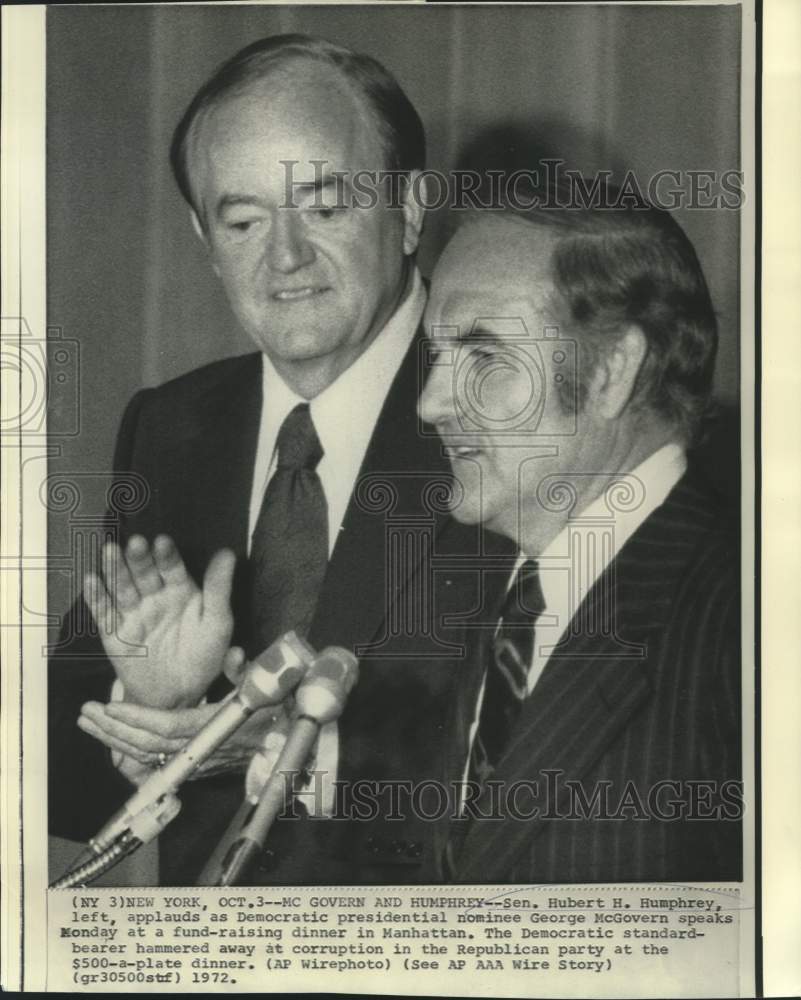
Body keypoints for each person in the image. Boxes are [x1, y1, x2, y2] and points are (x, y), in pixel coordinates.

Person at [48, 33, 509, 886]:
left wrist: (274, 748)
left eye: (325, 208)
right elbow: (59, 788)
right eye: (245, 220)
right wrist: (153, 707)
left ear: (409, 211)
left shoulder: (506, 408)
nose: (284, 258)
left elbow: (560, 760)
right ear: (202, 235)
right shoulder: (170, 426)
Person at [418, 194, 742, 883]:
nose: (431, 403)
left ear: (609, 371)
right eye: (436, 355)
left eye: (483, 355)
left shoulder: (743, 620)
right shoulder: (499, 605)